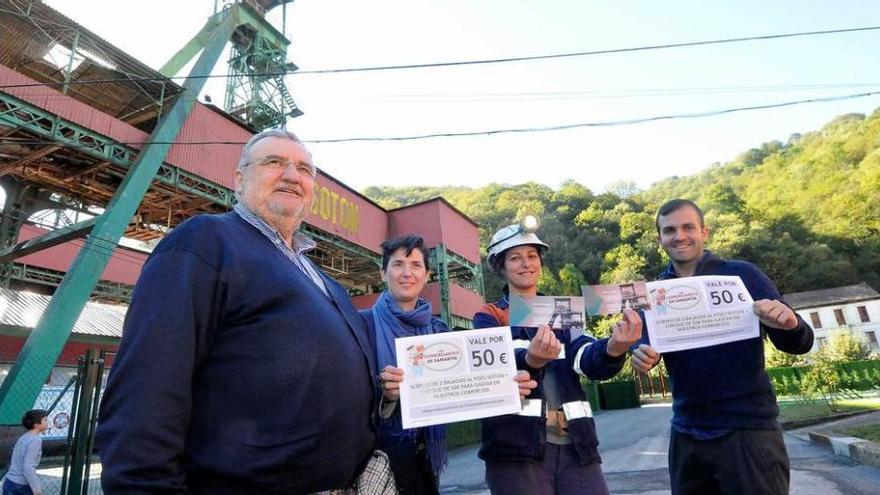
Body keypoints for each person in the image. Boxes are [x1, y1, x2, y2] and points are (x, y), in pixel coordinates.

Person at [96, 129, 380, 494]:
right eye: (274, 162)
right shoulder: (204, 242)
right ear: (239, 179)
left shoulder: (324, 281)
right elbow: (147, 389)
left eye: (304, 169)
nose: (292, 175)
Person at [630, 199, 814, 495]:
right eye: (670, 230)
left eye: (688, 227)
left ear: (705, 232)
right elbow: (641, 343)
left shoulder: (743, 275)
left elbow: (799, 342)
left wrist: (791, 324)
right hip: (687, 432)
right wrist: (638, 353)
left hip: (748, 430)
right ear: (659, 239)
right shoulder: (653, 294)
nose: (679, 236)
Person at [474, 221, 643, 495]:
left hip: (576, 446)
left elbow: (586, 357)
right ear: (500, 267)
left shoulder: (562, 311)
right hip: (516, 450)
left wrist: (614, 347)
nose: (526, 263)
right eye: (515, 258)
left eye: (532, 256)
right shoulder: (489, 315)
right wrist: (530, 359)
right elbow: (492, 368)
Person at [366, 235, 537, 495]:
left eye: (415, 265)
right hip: (375, 460)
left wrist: (506, 387)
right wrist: (387, 398)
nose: (407, 273)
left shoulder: (439, 332)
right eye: (398, 264)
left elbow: (470, 385)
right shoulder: (361, 326)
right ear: (382, 273)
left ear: (427, 275)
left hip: (423, 460)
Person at [3, 409, 48, 495]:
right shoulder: (35, 440)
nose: (47, 422)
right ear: (36, 424)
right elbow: (28, 467)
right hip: (21, 487)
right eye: (45, 420)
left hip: (9, 482)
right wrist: (37, 490)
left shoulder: (24, 437)